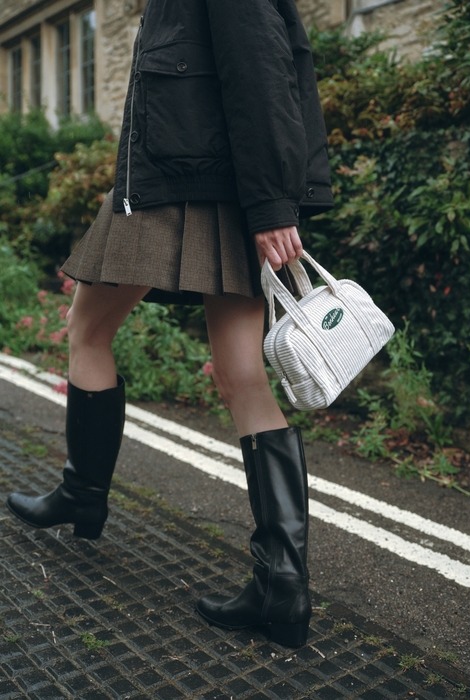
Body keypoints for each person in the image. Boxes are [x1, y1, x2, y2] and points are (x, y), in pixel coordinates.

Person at [6, 0, 333, 648]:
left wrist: (272, 203)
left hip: (184, 187)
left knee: (88, 332)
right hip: (206, 181)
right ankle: (282, 587)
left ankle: (83, 495)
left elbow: (261, 72)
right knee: (241, 376)